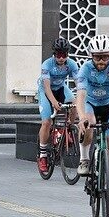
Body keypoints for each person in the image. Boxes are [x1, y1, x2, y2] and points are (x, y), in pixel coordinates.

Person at [75, 34, 109, 213]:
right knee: (89, 123)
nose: (101, 61)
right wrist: (82, 117)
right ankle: (84, 159)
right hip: (90, 104)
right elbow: (80, 96)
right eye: (97, 57)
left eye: (105, 57)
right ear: (91, 55)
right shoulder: (85, 69)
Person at [36, 37, 79, 174]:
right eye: (59, 55)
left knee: (75, 105)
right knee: (46, 122)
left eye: (64, 55)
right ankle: (43, 155)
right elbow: (47, 88)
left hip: (61, 88)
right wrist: (54, 102)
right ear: (54, 54)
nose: (61, 58)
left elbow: (80, 84)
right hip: (46, 91)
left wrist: (81, 99)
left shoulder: (72, 64)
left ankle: (69, 128)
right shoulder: (47, 65)